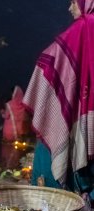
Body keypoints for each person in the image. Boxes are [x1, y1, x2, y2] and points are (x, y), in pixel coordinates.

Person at [23, 0, 94, 200]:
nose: (69, 7)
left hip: (83, 109)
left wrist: (48, 78)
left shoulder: (84, 25)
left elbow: (51, 58)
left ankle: (55, 205)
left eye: (73, 2)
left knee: (52, 137)